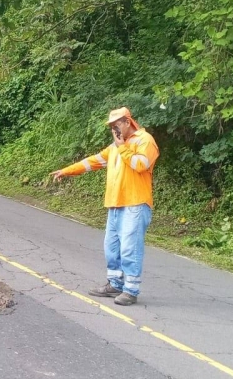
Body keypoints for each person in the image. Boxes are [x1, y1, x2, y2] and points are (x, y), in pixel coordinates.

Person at [50, 107, 160, 306]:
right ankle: (115, 284)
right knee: (111, 247)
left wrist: (122, 148)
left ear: (128, 122)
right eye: (111, 126)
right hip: (115, 204)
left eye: (116, 124)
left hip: (135, 203)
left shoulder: (145, 140)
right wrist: (66, 171)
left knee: (129, 248)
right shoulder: (115, 147)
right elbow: (93, 161)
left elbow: (141, 164)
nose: (114, 129)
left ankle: (131, 290)